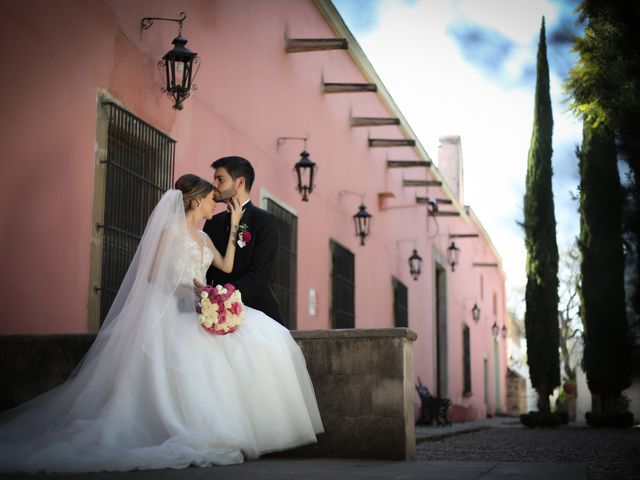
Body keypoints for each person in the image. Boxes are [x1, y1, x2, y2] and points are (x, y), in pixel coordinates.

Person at [0, 174, 323, 473]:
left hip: (198, 308)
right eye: (211, 199)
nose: (215, 205)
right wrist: (192, 290)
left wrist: (235, 227)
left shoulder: (204, 237)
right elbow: (154, 276)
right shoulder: (170, 233)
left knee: (264, 332)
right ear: (195, 200)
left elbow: (226, 264)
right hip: (172, 310)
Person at [201, 156, 283, 324]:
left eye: (220, 179)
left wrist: (223, 294)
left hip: (256, 314)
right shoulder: (212, 222)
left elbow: (261, 274)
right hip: (215, 315)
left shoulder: (265, 221)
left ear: (239, 183)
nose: (214, 185)